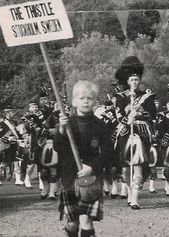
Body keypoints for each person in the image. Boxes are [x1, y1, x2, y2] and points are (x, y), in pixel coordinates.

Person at [54, 80, 119, 237]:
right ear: (74, 101)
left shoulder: (100, 125)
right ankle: (69, 232)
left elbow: (108, 152)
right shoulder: (67, 123)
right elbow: (58, 148)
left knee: (86, 221)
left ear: (95, 101)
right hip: (70, 178)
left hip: (91, 179)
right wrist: (62, 130)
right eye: (82, 98)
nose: (86, 101)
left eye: (90, 98)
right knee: (72, 222)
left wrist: (92, 167)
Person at [114, 56, 156, 209]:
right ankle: (130, 194)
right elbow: (117, 114)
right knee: (126, 169)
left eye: (136, 80)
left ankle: (135, 199)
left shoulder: (147, 96)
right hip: (126, 132)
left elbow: (152, 114)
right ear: (127, 81)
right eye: (131, 80)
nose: (134, 82)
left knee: (138, 165)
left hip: (142, 132)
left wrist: (138, 114)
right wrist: (126, 118)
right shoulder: (120, 96)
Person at [0, 107, 22, 186]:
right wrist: (8, 138)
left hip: (14, 145)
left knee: (16, 162)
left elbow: (17, 133)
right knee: (3, 164)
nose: (13, 113)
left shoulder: (14, 122)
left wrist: (20, 138)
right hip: (6, 145)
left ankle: (18, 179)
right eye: (12, 112)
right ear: (8, 113)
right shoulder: (2, 123)